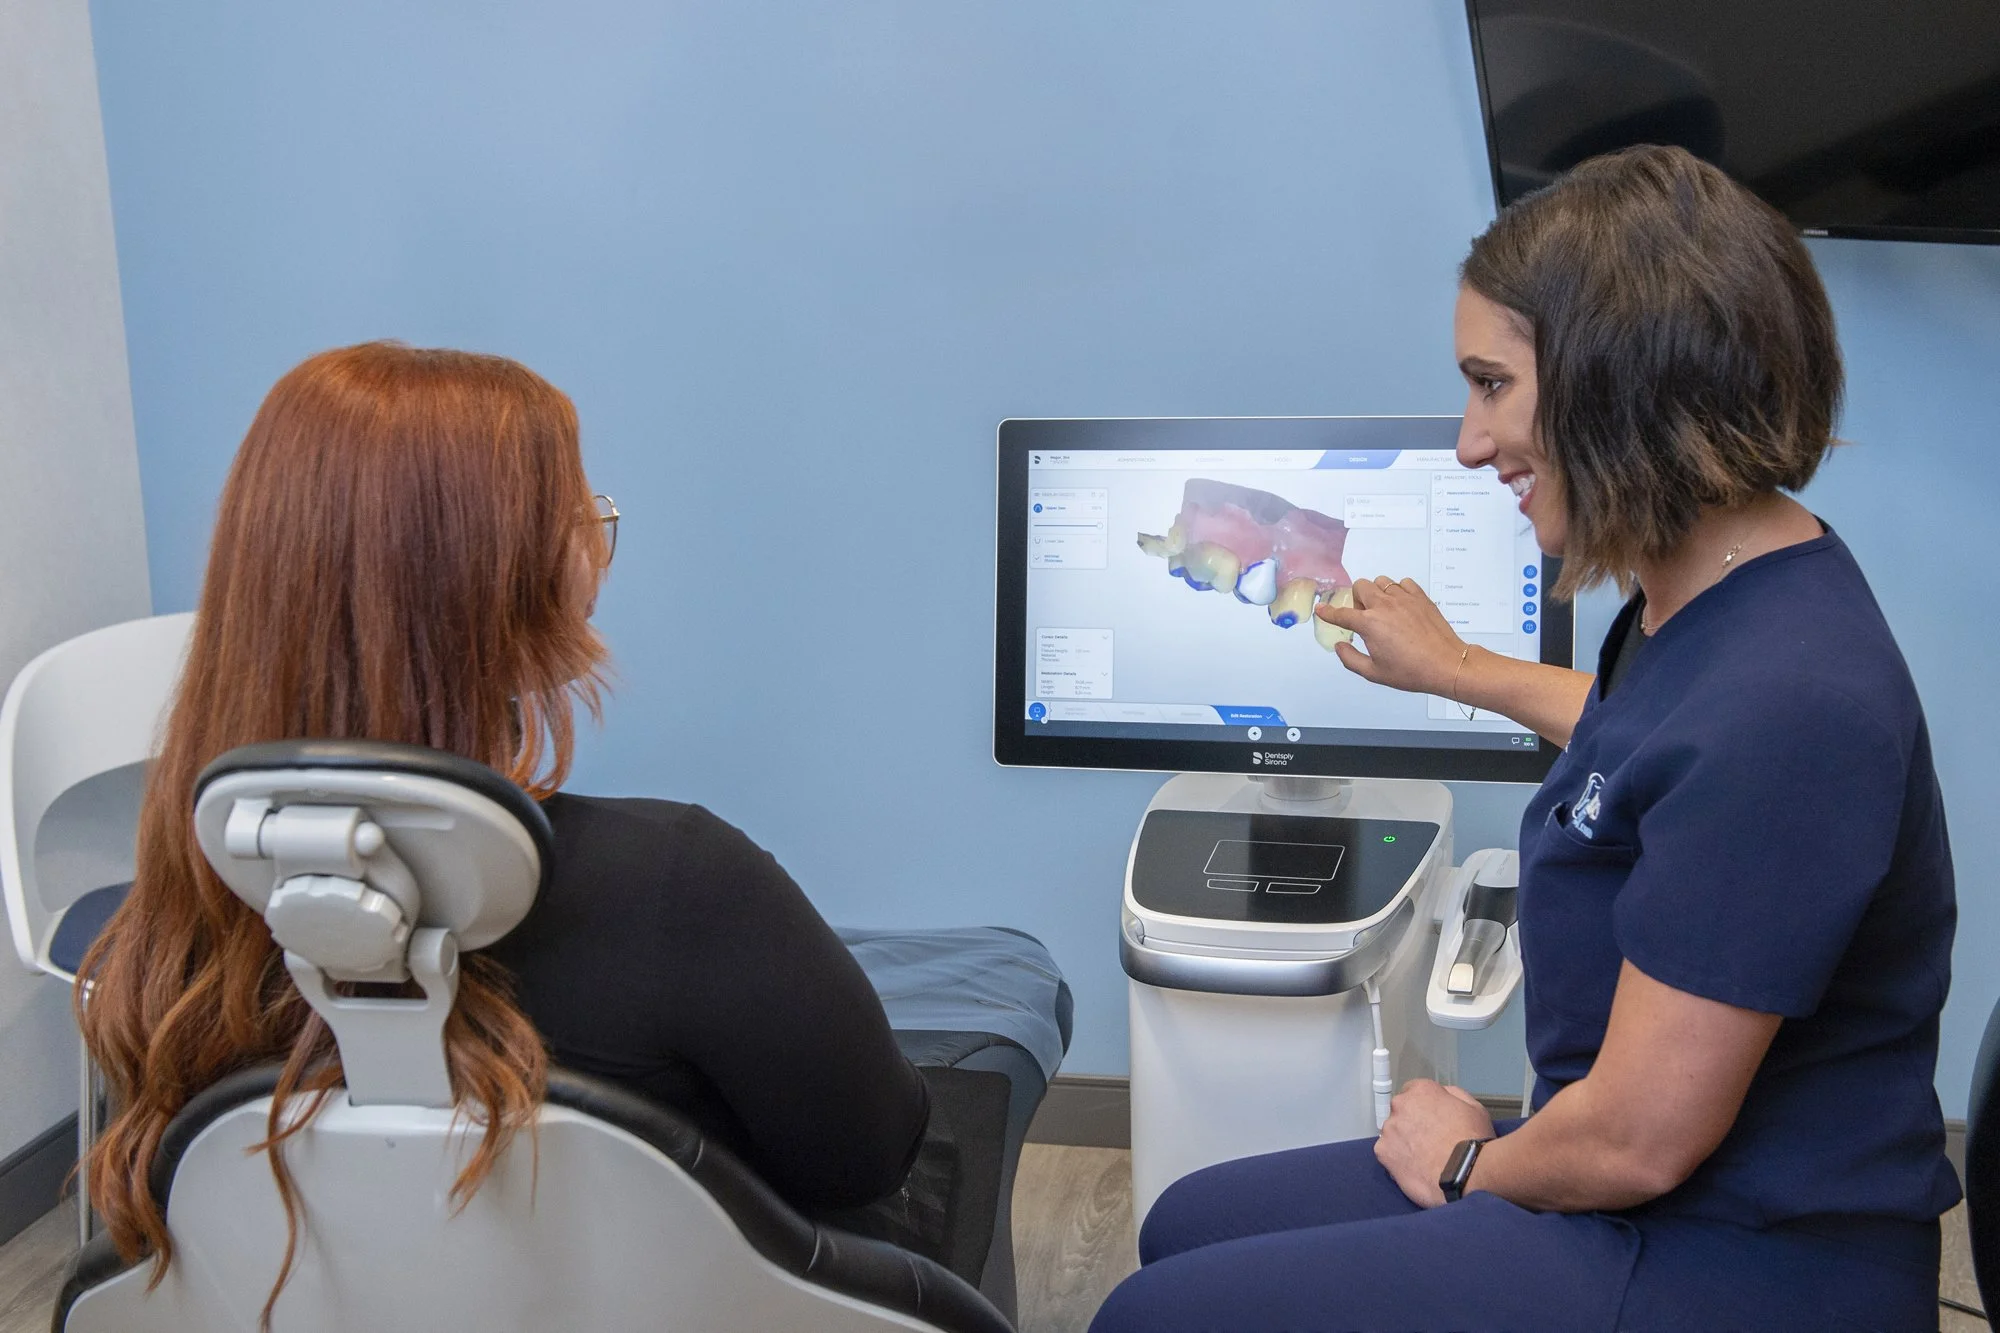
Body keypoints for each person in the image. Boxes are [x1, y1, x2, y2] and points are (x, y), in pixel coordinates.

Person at [1092, 146, 1957, 1331]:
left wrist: (1467, 1165)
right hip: (1637, 1178)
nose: (1466, 439)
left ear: (1622, 379)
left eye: (1490, 384)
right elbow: (1646, 750)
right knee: (1184, 1222)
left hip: (1728, 1254)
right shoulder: (1718, 590)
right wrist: (1453, 670)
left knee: (1158, 1314)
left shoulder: (1791, 702)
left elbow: (1639, 1142)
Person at [79, 343, 931, 1296]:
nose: (596, 541)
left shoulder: (179, 906)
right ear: (494, 578)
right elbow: (869, 1156)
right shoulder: (682, 886)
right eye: (579, 513)